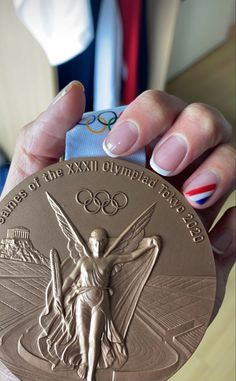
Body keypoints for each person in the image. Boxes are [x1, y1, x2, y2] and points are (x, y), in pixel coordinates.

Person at [0, 81, 235, 381]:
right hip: (82, 299)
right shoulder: (85, 262)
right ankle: (85, 368)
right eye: (94, 240)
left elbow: (131, 256)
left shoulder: (108, 261)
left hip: (102, 299)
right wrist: (58, 297)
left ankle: (88, 371)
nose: (97, 244)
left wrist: (151, 245)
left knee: (96, 337)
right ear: (89, 242)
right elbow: (69, 281)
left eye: (100, 240)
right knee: (84, 337)